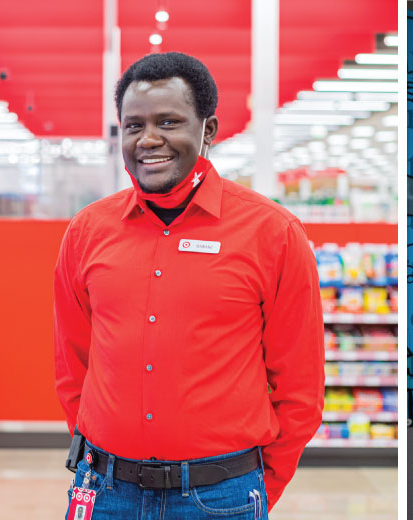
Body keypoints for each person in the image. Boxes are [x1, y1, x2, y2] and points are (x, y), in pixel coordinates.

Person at [53, 52, 323, 518]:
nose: (149, 139)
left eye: (169, 122)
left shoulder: (273, 233)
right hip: (105, 491)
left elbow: (300, 386)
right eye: (133, 125)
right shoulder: (86, 232)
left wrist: (257, 485)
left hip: (221, 495)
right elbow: (72, 363)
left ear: (208, 130)